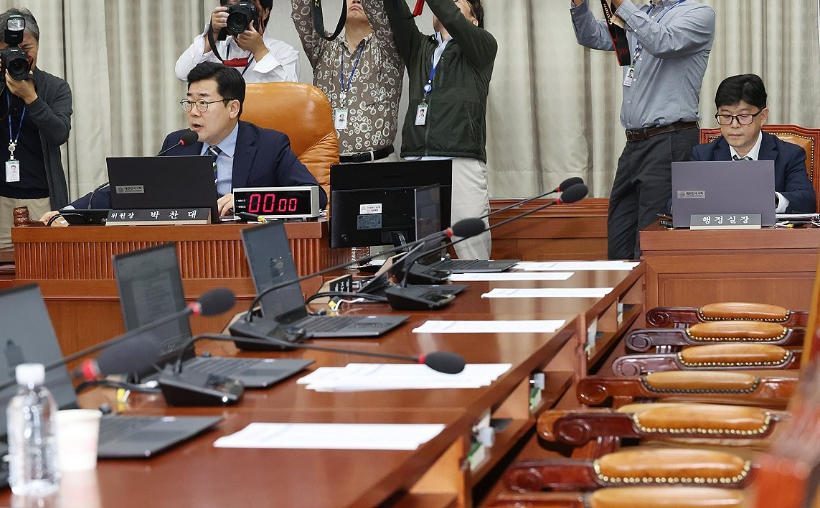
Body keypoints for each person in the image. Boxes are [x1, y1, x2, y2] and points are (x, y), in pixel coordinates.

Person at [41, 62, 325, 222]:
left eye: (203, 103)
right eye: (188, 103)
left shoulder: (269, 145)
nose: (192, 113)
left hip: (243, 250)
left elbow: (314, 196)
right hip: (187, 251)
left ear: (233, 108)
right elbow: (132, 191)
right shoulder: (179, 144)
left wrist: (244, 201)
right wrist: (68, 213)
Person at [570, 0, 715, 259]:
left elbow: (662, 42)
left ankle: (650, 300)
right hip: (634, 144)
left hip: (670, 139)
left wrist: (623, 5)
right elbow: (591, 35)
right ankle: (623, 299)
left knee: (651, 241)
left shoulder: (698, 13)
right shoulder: (643, 13)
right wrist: (579, 5)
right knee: (620, 236)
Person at [384, 0, 495, 260]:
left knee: (473, 253)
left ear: (474, 20)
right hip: (416, 162)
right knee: (418, 258)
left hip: (461, 161)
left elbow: (453, 19)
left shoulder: (483, 46)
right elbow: (397, 14)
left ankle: (480, 301)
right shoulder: (419, 46)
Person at [291, 0, 403, 162]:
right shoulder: (323, 47)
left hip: (378, 163)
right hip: (329, 165)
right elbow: (302, 16)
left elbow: (380, 14)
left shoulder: (389, 46)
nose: (356, 0)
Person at [692, 74, 816, 213]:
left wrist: (768, 199)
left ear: (762, 116)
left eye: (743, 116)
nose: (734, 125)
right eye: (726, 116)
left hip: (767, 234)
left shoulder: (789, 155)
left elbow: (807, 200)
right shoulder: (703, 155)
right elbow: (677, 203)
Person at [0, 8, 71, 250]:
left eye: (26, 49)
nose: (20, 55)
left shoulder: (54, 87)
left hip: (43, 200)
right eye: (11, 50)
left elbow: (59, 133)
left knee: (46, 269)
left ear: (38, 45)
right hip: (0, 201)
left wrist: (31, 98)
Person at [176, 0, 300, 83]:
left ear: (265, 11)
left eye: (247, 7)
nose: (241, 14)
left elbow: (289, 94)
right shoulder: (216, 49)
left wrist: (260, 51)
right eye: (234, 8)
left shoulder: (284, 52)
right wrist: (212, 34)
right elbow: (183, 74)